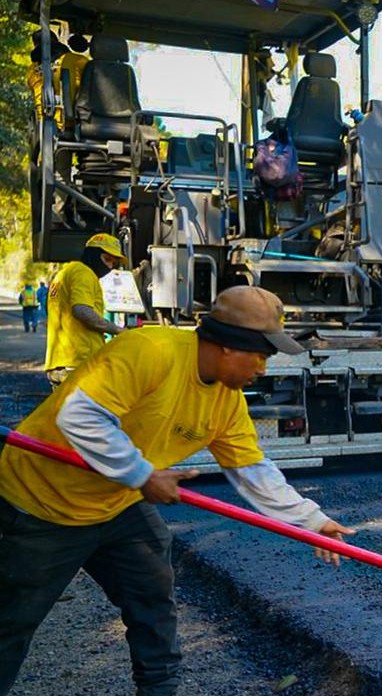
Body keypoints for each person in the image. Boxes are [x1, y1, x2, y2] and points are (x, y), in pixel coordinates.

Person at [0, 286, 353, 696]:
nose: (262, 368)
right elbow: (79, 416)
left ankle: (159, 690)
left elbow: (252, 470)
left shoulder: (226, 401)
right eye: (260, 355)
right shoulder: (150, 351)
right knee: (11, 623)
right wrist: (141, 474)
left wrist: (313, 522)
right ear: (228, 345)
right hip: (41, 502)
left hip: (115, 502)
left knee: (153, 598)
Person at [45, 234, 128, 387]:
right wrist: (117, 330)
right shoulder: (84, 273)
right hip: (77, 362)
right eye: (107, 259)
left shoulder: (65, 272)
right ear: (93, 254)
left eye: (113, 263)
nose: (110, 267)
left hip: (59, 362)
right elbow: (81, 310)